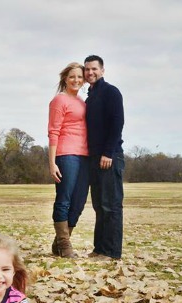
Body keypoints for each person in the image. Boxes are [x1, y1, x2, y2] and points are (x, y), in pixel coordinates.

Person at [84, 55, 125, 260]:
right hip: (93, 158)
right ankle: (99, 248)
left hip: (110, 156)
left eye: (94, 69)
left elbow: (117, 123)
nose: (90, 73)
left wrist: (108, 152)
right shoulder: (90, 97)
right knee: (99, 205)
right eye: (87, 69)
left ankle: (111, 252)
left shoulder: (111, 92)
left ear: (102, 70)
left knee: (111, 205)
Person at [48, 62, 89, 258]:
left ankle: (59, 243)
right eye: (72, 76)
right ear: (65, 78)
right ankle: (65, 245)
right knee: (64, 199)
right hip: (66, 154)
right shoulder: (59, 100)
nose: (76, 80)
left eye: (80, 77)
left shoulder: (82, 101)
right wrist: (52, 161)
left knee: (79, 201)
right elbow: (53, 131)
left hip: (85, 155)